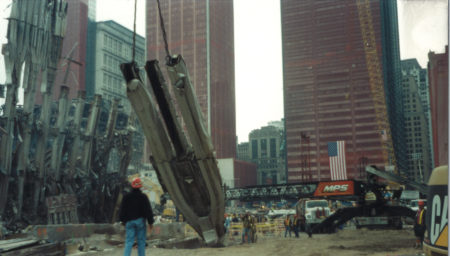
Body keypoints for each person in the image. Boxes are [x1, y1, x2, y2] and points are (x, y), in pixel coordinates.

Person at [120, 177, 154, 256]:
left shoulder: (126, 197)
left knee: (129, 242)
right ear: (140, 186)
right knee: (141, 242)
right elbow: (148, 210)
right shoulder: (143, 197)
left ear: (132, 186)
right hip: (140, 222)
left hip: (129, 222)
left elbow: (122, 210)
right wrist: (150, 222)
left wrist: (123, 221)